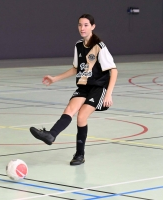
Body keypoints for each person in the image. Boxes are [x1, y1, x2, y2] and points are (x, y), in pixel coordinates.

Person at [30, 14, 118, 166]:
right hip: (83, 85)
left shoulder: (99, 46)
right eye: (80, 25)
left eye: (85, 25)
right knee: (70, 109)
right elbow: (76, 69)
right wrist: (55, 78)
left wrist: (108, 94)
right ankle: (51, 135)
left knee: (81, 116)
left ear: (92, 26)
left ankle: (79, 154)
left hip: (98, 87)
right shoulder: (78, 45)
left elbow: (114, 71)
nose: (82, 28)